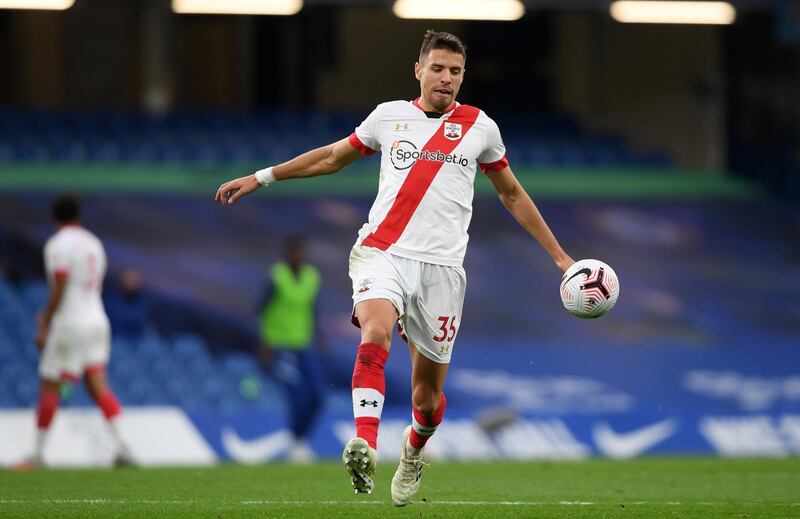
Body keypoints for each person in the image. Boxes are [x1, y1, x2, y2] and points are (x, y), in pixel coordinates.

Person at [215, 30, 574, 506]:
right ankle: (365, 439)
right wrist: (262, 177)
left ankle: (412, 449)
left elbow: (511, 194)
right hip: (382, 252)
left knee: (427, 401)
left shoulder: (480, 127)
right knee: (376, 332)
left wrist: (561, 257)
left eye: (456, 71)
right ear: (419, 70)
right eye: (439, 68)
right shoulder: (389, 117)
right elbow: (331, 157)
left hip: (443, 271)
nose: (447, 79)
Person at [31, 194, 132, 467]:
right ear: (79, 216)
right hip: (97, 319)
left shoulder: (58, 244)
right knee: (97, 384)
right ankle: (123, 446)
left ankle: (38, 455)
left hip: (70, 321)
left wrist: (46, 321)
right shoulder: (93, 242)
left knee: (50, 383)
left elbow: (61, 281)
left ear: (54, 218)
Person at [256, 235, 326, 462]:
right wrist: (264, 341)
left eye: (301, 252)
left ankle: (299, 439)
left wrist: (319, 336)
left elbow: (313, 310)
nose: (298, 256)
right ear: (287, 254)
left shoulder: (311, 277)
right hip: (280, 346)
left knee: (318, 395)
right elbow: (261, 309)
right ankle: (296, 442)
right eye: (294, 252)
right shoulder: (277, 277)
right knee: (297, 396)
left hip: (304, 345)